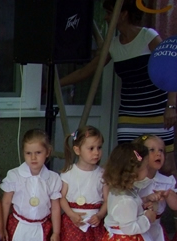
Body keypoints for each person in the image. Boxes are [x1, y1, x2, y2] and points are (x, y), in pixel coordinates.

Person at [60, 0, 176, 176]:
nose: (106, 18)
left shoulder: (148, 36)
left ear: (123, 14)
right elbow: (87, 71)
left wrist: (171, 106)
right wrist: (55, 84)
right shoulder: (113, 45)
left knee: (166, 167)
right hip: (130, 116)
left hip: (157, 113)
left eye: (109, 13)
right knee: (131, 164)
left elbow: (171, 67)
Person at [0, 129, 62, 241]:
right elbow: (6, 202)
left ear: (48, 152)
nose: (33, 158)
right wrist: (2, 226)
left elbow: (55, 207)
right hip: (18, 225)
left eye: (38, 152)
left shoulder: (52, 178)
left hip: (40, 227)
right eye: (28, 153)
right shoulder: (14, 175)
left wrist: (56, 231)